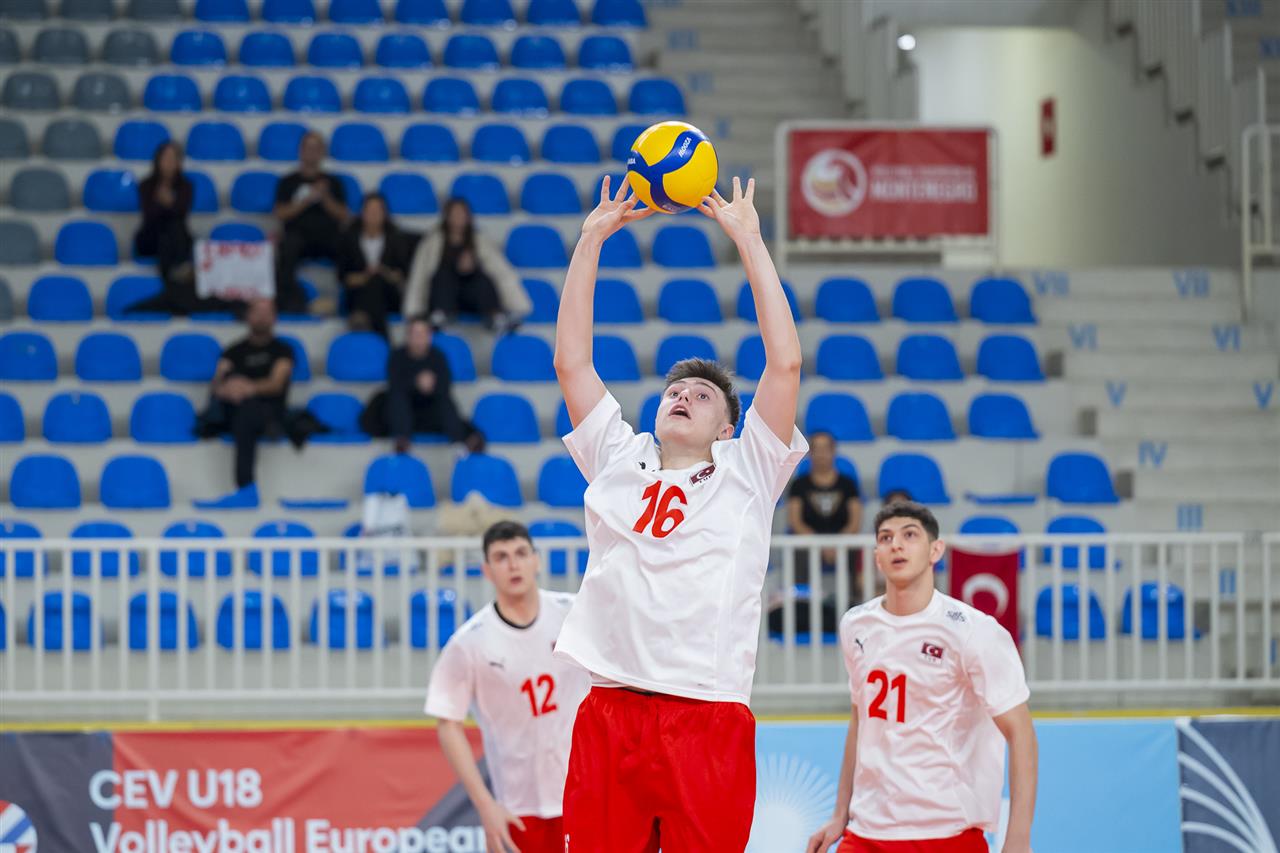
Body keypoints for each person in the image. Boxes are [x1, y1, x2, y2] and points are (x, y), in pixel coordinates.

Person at [553, 176, 808, 851]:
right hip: (611, 707)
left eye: (701, 394)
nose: (683, 396)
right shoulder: (618, 455)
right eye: (674, 390)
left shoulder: (747, 469)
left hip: (705, 710)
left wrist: (750, 242)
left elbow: (784, 365)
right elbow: (571, 363)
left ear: (727, 428)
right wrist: (590, 241)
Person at [805, 501, 1037, 853]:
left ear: (935, 550)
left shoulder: (974, 631)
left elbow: (1021, 733)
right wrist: (840, 814)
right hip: (867, 831)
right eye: (885, 538)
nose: (896, 544)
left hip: (947, 832)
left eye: (909, 535)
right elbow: (860, 720)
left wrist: (1018, 838)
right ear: (877, 557)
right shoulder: (856, 625)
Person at [425, 520, 590, 853]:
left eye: (521, 553)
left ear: (536, 560)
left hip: (586, 791)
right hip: (519, 806)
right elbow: (447, 723)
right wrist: (485, 805)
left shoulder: (575, 614)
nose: (513, 564)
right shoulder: (469, 642)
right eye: (501, 557)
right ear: (487, 570)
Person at [194, 298, 309, 509]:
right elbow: (217, 385)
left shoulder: (283, 350)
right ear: (248, 316)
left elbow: (276, 384)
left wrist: (248, 388)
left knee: (247, 411)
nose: (262, 317)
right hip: (236, 411)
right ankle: (246, 490)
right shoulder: (233, 351)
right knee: (242, 411)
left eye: (267, 312)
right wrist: (228, 390)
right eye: (257, 312)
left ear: (274, 317)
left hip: (270, 412)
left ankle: (246, 489)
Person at [359, 314, 485, 455]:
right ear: (408, 336)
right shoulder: (397, 356)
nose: (419, 338)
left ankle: (458, 442)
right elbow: (394, 384)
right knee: (395, 398)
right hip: (402, 413)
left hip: (429, 412)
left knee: (445, 402)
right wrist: (416, 383)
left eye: (422, 334)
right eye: (415, 334)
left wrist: (431, 386)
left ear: (429, 336)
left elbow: (445, 387)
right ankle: (402, 440)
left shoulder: (438, 356)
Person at [402, 198, 529, 332]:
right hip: (445, 298)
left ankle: (494, 315)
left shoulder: (480, 240)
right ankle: (440, 315)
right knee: (442, 276)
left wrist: (472, 267)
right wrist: (414, 311)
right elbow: (420, 274)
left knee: (483, 279)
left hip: (472, 297)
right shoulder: (432, 242)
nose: (458, 218)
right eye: (455, 214)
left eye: (462, 214)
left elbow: (500, 272)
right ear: (447, 216)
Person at [273, 131, 349, 314]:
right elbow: (281, 214)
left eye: (316, 148)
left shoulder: (333, 182)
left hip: (328, 237)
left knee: (349, 246)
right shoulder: (288, 181)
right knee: (286, 247)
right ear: (300, 151)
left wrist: (325, 197)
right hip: (297, 237)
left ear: (322, 152)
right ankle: (289, 303)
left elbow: (343, 215)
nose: (312, 152)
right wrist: (306, 199)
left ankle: (346, 302)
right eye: (308, 148)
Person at [125, 141, 197, 315]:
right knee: (167, 230)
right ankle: (178, 274)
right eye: (166, 158)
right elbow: (150, 216)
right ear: (158, 160)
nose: (169, 163)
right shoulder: (146, 185)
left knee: (174, 229)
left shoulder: (186, 186)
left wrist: (168, 204)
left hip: (174, 239)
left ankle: (175, 280)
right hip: (151, 238)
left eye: (173, 158)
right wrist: (168, 205)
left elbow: (182, 213)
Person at [335, 192, 416, 337]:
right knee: (372, 284)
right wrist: (364, 277)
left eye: (378, 210)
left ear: (385, 214)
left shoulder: (396, 239)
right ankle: (382, 337)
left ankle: (362, 325)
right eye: (370, 210)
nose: (373, 215)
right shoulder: (349, 239)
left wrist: (384, 272)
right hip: (357, 293)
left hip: (388, 295)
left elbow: (402, 275)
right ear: (362, 213)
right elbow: (343, 277)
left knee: (376, 282)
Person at [787, 429, 863, 583]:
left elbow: (854, 523)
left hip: (842, 541)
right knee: (800, 551)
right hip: (809, 542)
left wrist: (837, 545)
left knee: (854, 550)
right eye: (817, 449)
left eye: (825, 449)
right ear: (810, 453)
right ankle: (802, 596)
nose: (821, 454)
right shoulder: (799, 485)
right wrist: (819, 546)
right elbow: (795, 522)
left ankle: (853, 594)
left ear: (833, 451)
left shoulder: (847, 484)